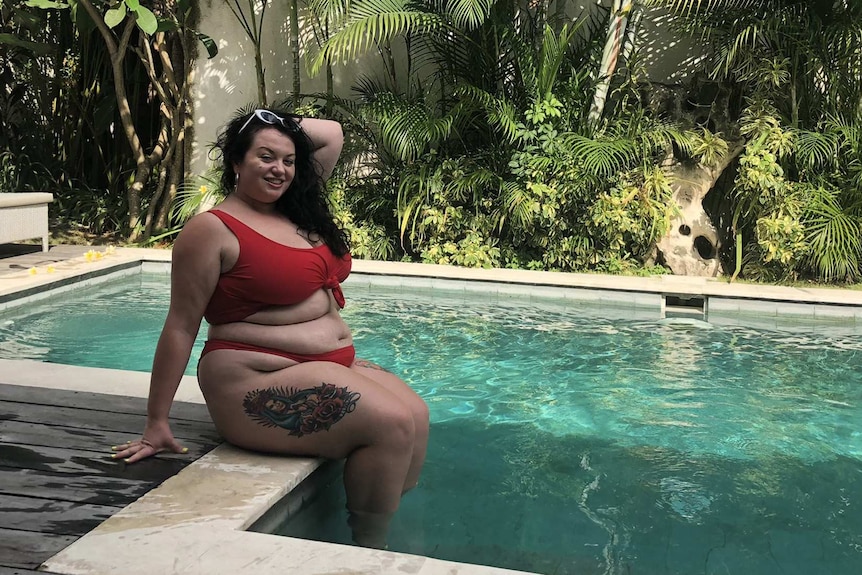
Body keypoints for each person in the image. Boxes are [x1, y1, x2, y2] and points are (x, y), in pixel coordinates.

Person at [111, 109, 430, 548]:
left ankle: (374, 520)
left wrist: (269, 120)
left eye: (288, 159)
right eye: (264, 156)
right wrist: (156, 422)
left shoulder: (296, 211)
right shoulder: (212, 230)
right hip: (252, 379)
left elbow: (331, 133)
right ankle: (369, 549)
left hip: (321, 364)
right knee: (392, 423)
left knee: (417, 416)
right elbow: (181, 325)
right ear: (236, 163)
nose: (279, 168)